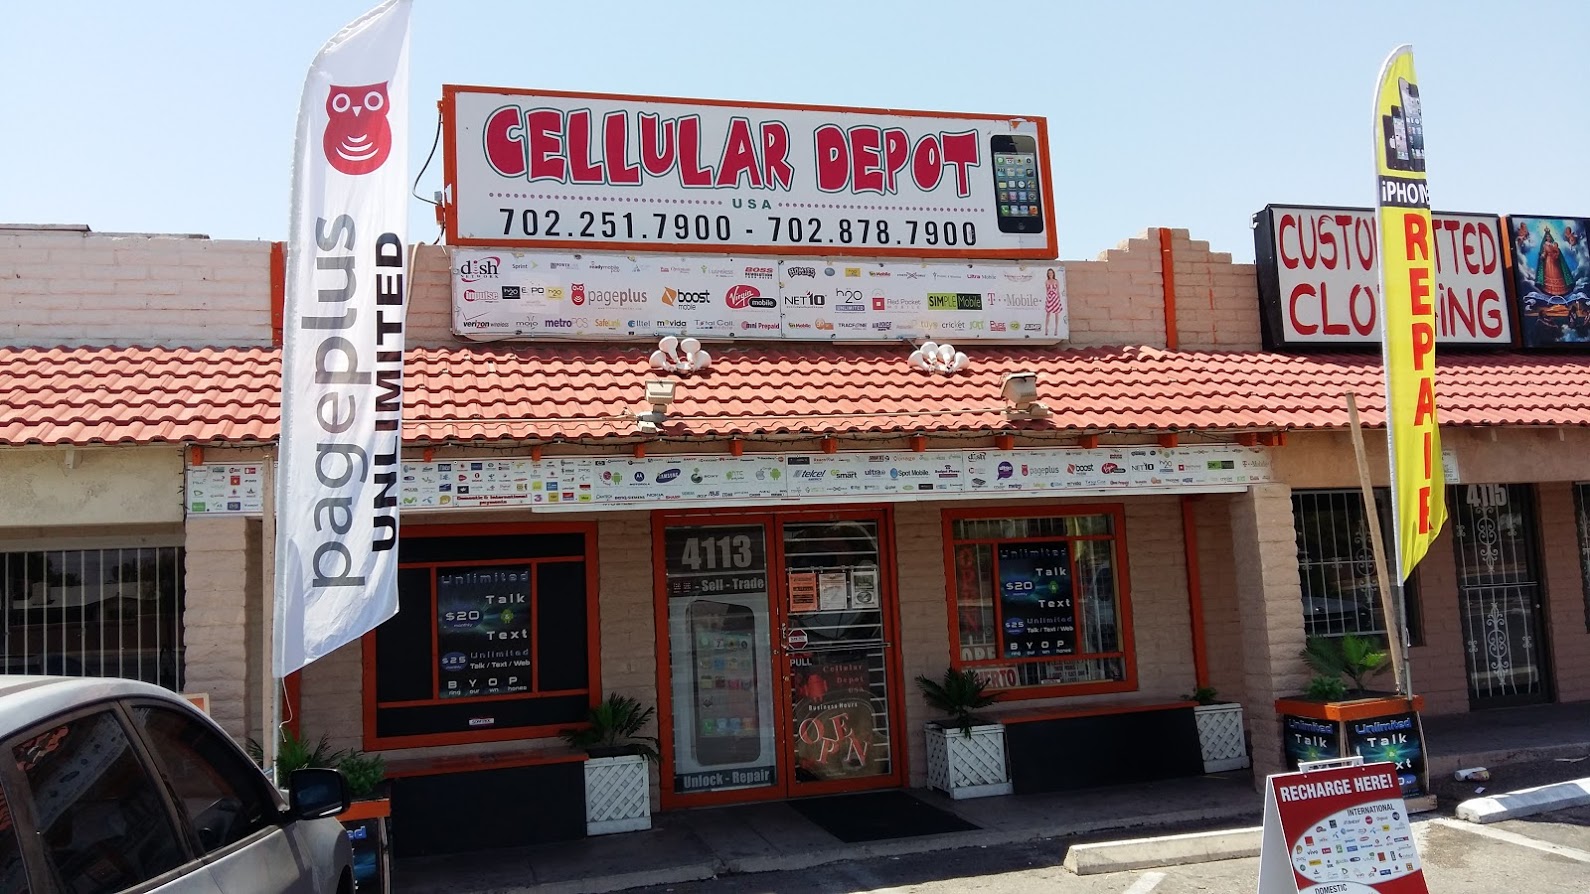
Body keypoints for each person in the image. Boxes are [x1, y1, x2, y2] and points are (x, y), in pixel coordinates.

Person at [1535, 226, 1575, 297]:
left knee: (1557, 273)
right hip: (1548, 261)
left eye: (1549, 236)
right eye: (1547, 237)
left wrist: (1557, 253)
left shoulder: (1554, 244)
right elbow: (1544, 253)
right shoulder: (1545, 245)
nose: (1548, 238)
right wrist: (1542, 256)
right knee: (1550, 274)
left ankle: (1560, 290)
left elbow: (1557, 251)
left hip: (1555, 261)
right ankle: (1549, 290)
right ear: (1546, 238)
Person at [1043, 267, 1063, 336]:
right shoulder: (1046, 281)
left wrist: (1059, 299)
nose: (1050, 274)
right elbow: (1046, 291)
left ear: (1053, 273)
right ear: (1047, 274)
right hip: (1049, 298)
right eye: (1049, 273)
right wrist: (1047, 299)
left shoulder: (1056, 281)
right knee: (1048, 314)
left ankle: (1056, 329)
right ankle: (1046, 329)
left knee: (1056, 314)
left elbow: (1058, 291)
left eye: (1051, 273)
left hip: (1055, 298)